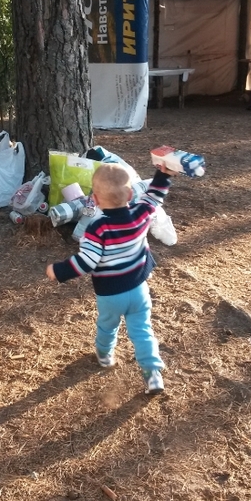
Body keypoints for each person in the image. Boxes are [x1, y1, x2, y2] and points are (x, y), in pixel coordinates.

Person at [46, 162, 173, 395]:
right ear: (131, 195)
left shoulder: (97, 229)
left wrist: (59, 270)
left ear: (94, 199)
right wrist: (163, 175)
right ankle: (153, 373)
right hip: (138, 289)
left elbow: (87, 261)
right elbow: (154, 197)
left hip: (111, 294)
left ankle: (105, 356)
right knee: (143, 330)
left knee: (107, 326)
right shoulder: (140, 214)